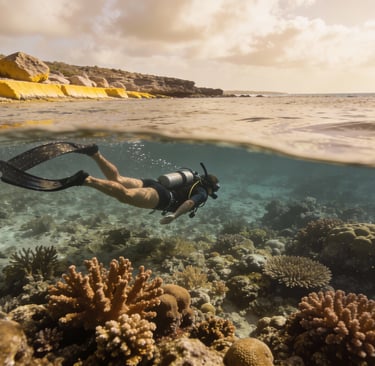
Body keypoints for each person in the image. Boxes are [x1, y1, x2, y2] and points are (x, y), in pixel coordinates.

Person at [81, 145, 220, 225]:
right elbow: (190, 203)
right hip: (162, 197)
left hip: (154, 183)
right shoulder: (202, 192)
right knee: (126, 196)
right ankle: (87, 180)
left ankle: (95, 153)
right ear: (211, 187)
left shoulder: (192, 179)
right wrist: (174, 216)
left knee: (118, 179)